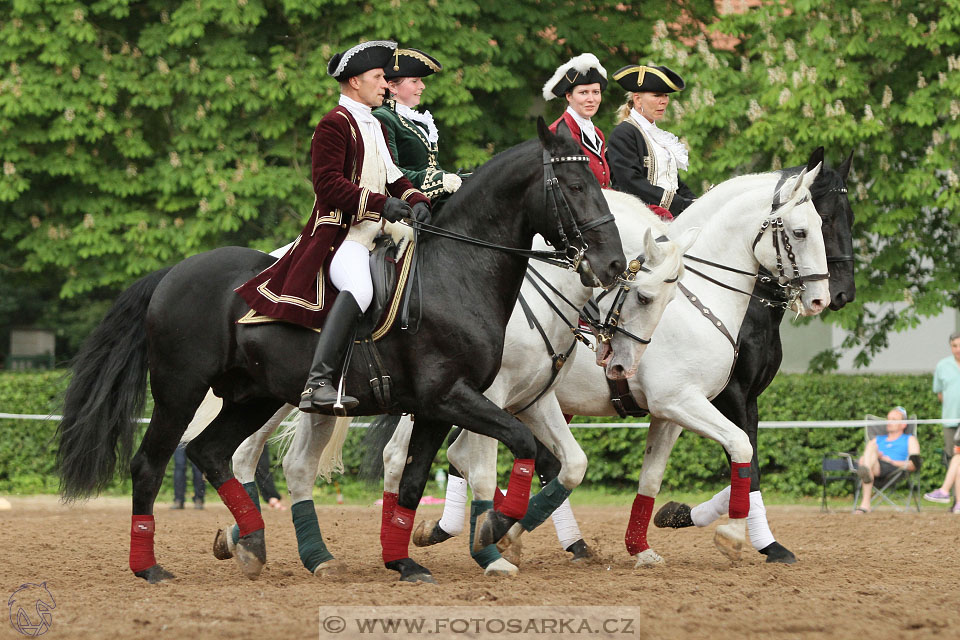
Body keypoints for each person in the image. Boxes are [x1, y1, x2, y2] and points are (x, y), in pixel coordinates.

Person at [235, 40, 431, 414]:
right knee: (359, 287)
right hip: (342, 235)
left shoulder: (372, 122)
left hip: (376, 233)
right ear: (355, 81)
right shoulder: (334, 124)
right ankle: (318, 382)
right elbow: (327, 184)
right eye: (378, 77)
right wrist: (380, 204)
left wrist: (415, 200)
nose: (386, 85)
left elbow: (393, 178)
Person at [606, 64, 696, 219]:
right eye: (657, 95)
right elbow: (631, 183)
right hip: (640, 218)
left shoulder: (658, 136)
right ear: (638, 100)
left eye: (666, 96)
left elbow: (674, 182)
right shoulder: (624, 133)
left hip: (670, 214)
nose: (664, 101)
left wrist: (696, 202)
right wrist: (680, 204)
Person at [373, 48, 461, 204]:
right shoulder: (383, 117)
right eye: (415, 81)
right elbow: (389, 171)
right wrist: (440, 180)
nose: (422, 86)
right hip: (404, 205)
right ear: (392, 87)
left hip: (429, 199)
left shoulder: (418, 121)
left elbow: (431, 166)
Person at [542, 53, 611, 188]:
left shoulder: (598, 134)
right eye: (583, 92)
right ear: (569, 96)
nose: (591, 99)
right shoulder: (557, 131)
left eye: (596, 92)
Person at [855, 406, 921, 513]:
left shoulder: (910, 439)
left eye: (894, 420)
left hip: (894, 468)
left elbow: (914, 464)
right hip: (875, 465)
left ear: (904, 424)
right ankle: (866, 470)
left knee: (865, 458)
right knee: (870, 449)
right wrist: (876, 456)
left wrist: (890, 461)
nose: (889, 422)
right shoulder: (877, 439)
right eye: (888, 419)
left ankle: (865, 504)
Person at [171, 442, 205, 509]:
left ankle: (178, 500)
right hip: (194, 436)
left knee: (179, 467)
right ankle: (198, 500)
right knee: (197, 466)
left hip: (182, 437)